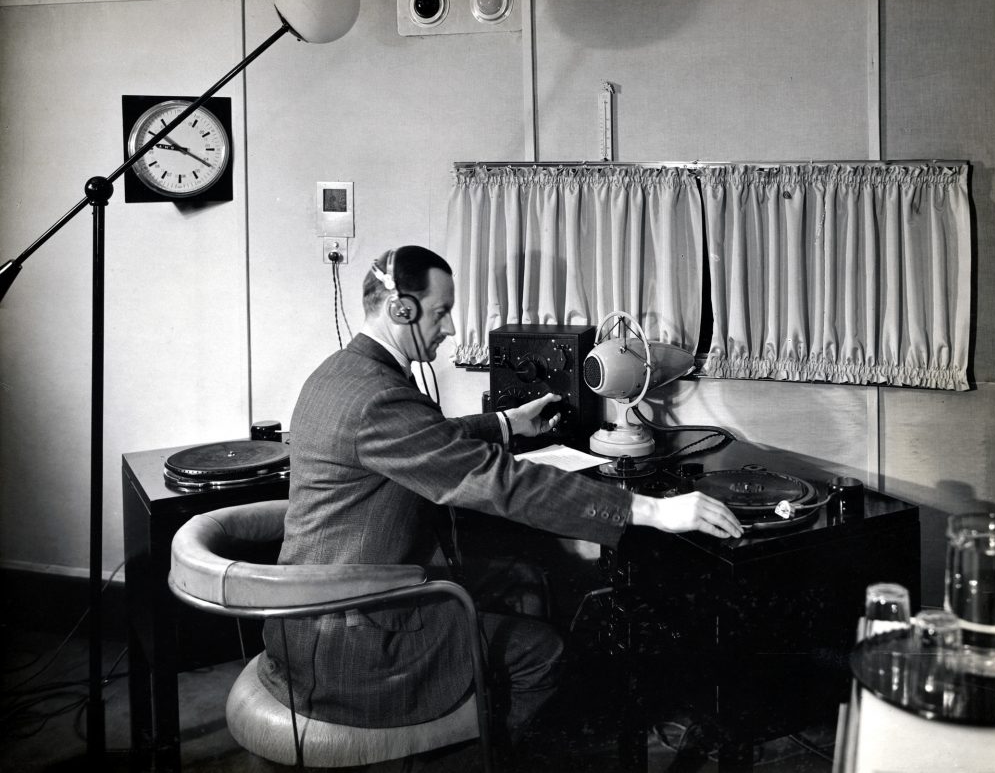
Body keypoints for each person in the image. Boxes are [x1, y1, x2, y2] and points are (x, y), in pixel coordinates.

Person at [257, 245, 742, 753]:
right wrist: (652, 509)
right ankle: (490, 757)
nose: (449, 329)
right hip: (353, 648)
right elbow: (499, 480)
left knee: (524, 578)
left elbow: (422, 436)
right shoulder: (379, 397)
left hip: (306, 626)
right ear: (402, 309)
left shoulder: (340, 372)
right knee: (545, 652)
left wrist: (507, 423)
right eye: (441, 313)